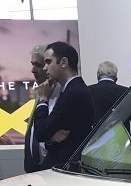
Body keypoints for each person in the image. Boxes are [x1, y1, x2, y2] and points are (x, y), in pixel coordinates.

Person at [33, 41, 94, 169]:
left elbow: (40, 132)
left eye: (48, 62)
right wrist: (51, 138)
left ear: (64, 62)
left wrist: (43, 99)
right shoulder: (73, 89)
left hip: (64, 167)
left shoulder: (72, 93)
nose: (44, 68)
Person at [24, 44, 63, 173]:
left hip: (53, 170)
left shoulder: (63, 94)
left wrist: (49, 140)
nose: (33, 70)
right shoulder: (41, 92)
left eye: (38, 65)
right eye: (32, 64)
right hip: (35, 170)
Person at [87, 60, 131, 142]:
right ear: (116, 77)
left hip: (94, 143)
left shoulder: (87, 91)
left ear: (98, 75)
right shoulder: (127, 92)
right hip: (121, 143)